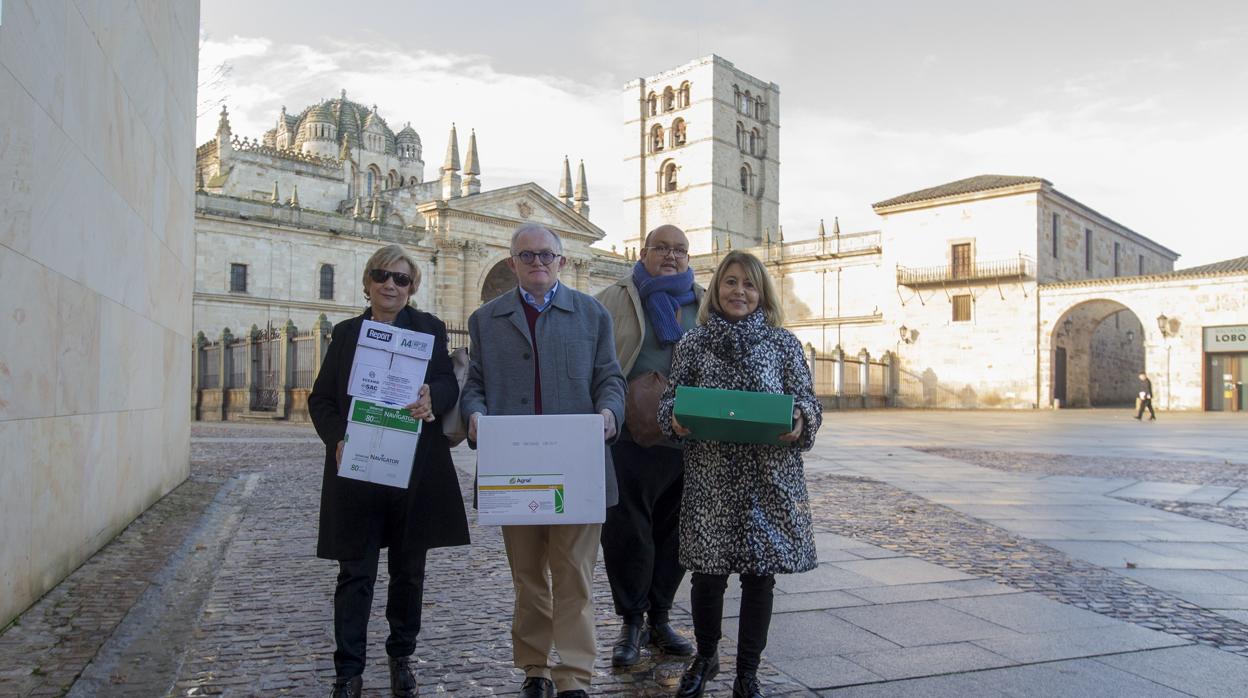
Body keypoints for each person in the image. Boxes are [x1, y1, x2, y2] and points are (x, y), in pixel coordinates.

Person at [460, 224, 626, 698]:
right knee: (528, 577)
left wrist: (610, 413)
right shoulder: (485, 319)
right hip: (514, 469)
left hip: (577, 467)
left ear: (563, 262)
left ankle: (573, 675)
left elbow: (609, 379)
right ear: (512, 263)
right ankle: (535, 667)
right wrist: (474, 415)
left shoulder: (592, 314)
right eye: (527, 256)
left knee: (574, 575)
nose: (537, 263)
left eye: (546, 255)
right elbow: (475, 384)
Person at [658, 250, 822, 698]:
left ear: (761, 293)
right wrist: (672, 417)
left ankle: (747, 672)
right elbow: (670, 401)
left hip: (767, 479)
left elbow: (808, 401)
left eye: (749, 285)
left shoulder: (783, 343)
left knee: (759, 577)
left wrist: (802, 420)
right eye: (731, 283)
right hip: (711, 478)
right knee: (707, 575)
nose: (739, 292)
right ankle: (706, 657)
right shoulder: (693, 343)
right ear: (717, 290)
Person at [309, 244, 470, 698]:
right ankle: (348, 672)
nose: (390, 285)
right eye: (382, 275)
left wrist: (431, 398)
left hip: (414, 469)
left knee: (408, 572)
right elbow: (320, 399)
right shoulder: (345, 334)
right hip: (357, 469)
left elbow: (444, 381)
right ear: (367, 282)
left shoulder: (429, 329)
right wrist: (338, 437)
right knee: (355, 573)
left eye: (401, 278)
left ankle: (402, 657)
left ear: (413, 286)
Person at [595, 224, 700, 666]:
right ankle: (631, 621)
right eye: (662, 248)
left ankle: (660, 617)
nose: (671, 256)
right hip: (628, 435)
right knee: (626, 534)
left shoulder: (706, 302)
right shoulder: (613, 297)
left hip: (688, 436)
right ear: (643, 252)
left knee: (675, 535)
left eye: (679, 250)